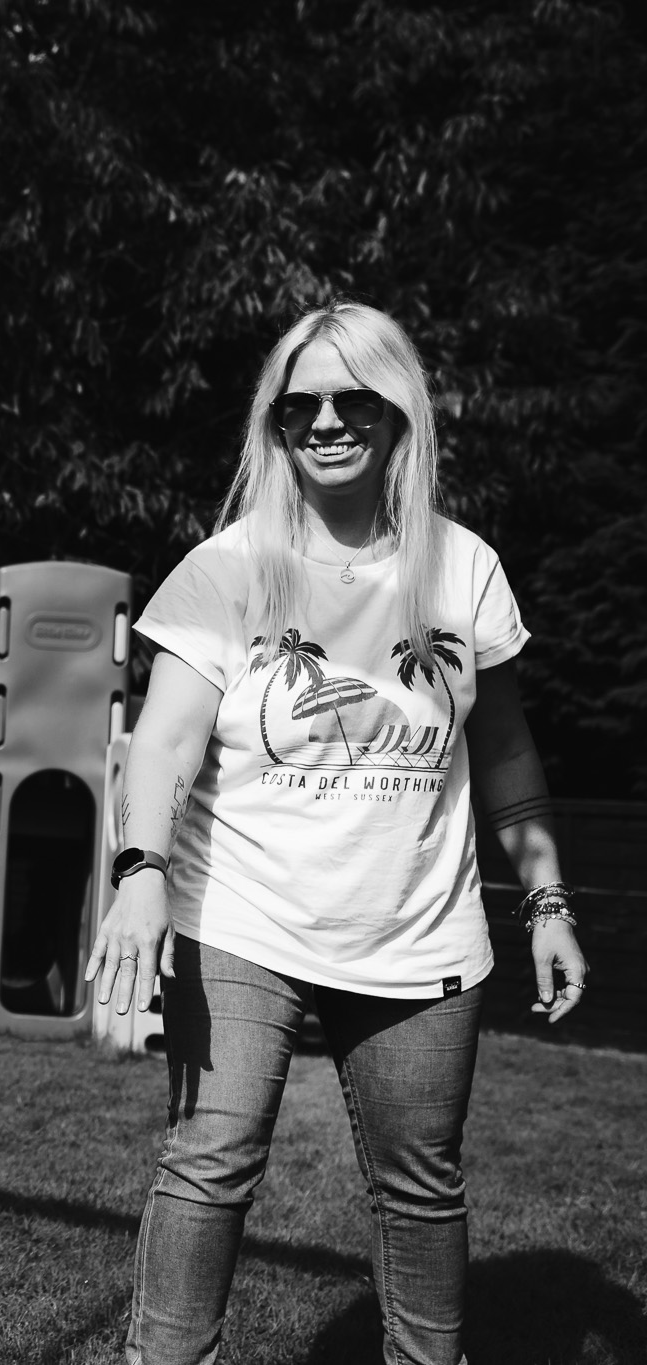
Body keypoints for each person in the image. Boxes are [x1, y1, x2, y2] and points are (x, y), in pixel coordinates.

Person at [85, 300, 587, 1365]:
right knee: (209, 1156)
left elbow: (501, 754)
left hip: (418, 932)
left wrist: (545, 901)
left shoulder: (461, 569)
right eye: (296, 404)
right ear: (271, 425)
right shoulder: (223, 569)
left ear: (396, 412)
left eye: (351, 399)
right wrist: (136, 871)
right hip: (240, 915)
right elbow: (164, 740)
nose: (323, 422)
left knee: (418, 1187)